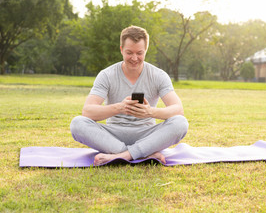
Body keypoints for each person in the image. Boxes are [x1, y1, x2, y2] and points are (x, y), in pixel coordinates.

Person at [70, 25, 188, 166]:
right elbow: (88, 111)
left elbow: (178, 109)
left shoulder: (159, 75)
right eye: (129, 52)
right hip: (113, 136)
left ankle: (124, 155)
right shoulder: (107, 75)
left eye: (139, 53)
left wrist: (150, 112)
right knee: (77, 124)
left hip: (147, 134)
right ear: (121, 50)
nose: (134, 58)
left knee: (181, 123)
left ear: (146, 51)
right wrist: (120, 107)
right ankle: (144, 153)